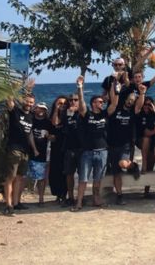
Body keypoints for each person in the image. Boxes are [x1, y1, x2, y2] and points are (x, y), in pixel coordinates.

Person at [73, 76, 108, 212]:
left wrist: (115, 86)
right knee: (83, 179)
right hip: (87, 151)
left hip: (102, 151)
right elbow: (81, 103)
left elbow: (114, 103)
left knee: (98, 179)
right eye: (100, 102)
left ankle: (96, 200)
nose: (102, 103)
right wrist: (80, 87)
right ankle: (79, 202)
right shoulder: (86, 114)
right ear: (93, 103)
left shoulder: (104, 114)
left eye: (102, 102)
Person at [106, 78, 142, 205]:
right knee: (116, 173)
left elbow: (139, 105)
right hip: (111, 144)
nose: (130, 101)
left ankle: (133, 166)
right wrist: (114, 85)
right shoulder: (115, 109)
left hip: (125, 145)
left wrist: (142, 93)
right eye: (129, 99)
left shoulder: (132, 112)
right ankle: (120, 195)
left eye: (133, 100)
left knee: (122, 164)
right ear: (125, 99)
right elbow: (113, 99)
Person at [3, 93, 35, 215]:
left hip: (25, 151)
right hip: (14, 149)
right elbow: (9, 100)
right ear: (22, 101)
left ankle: (16, 203)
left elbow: (30, 133)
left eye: (31, 102)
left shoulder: (31, 116)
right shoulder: (15, 111)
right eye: (27, 101)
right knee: (10, 177)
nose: (29, 104)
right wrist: (12, 89)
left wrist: (34, 149)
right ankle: (8, 205)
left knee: (19, 178)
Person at [53, 91, 82, 207]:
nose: (73, 102)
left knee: (82, 174)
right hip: (69, 148)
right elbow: (56, 123)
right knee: (69, 174)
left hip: (82, 148)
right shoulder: (66, 113)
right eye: (71, 100)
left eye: (76, 100)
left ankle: (80, 197)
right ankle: (70, 197)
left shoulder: (83, 112)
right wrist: (57, 109)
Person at [28, 102, 53, 206]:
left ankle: (41, 199)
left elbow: (53, 137)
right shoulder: (30, 119)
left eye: (44, 109)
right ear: (35, 109)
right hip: (27, 151)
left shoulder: (48, 122)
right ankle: (17, 200)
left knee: (41, 177)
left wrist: (48, 136)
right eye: (40, 108)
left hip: (42, 152)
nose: (41, 111)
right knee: (23, 176)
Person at [47, 96, 68, 204]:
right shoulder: (53, 116)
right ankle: (57, 194)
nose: (62, 106)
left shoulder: (68, 116)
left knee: (64, 172)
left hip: (66, 147)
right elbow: (55, 123)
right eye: (60, 103)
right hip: (55, 148)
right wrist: (56, 109)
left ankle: (64, 194)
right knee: (55, 172)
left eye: (64, 104)